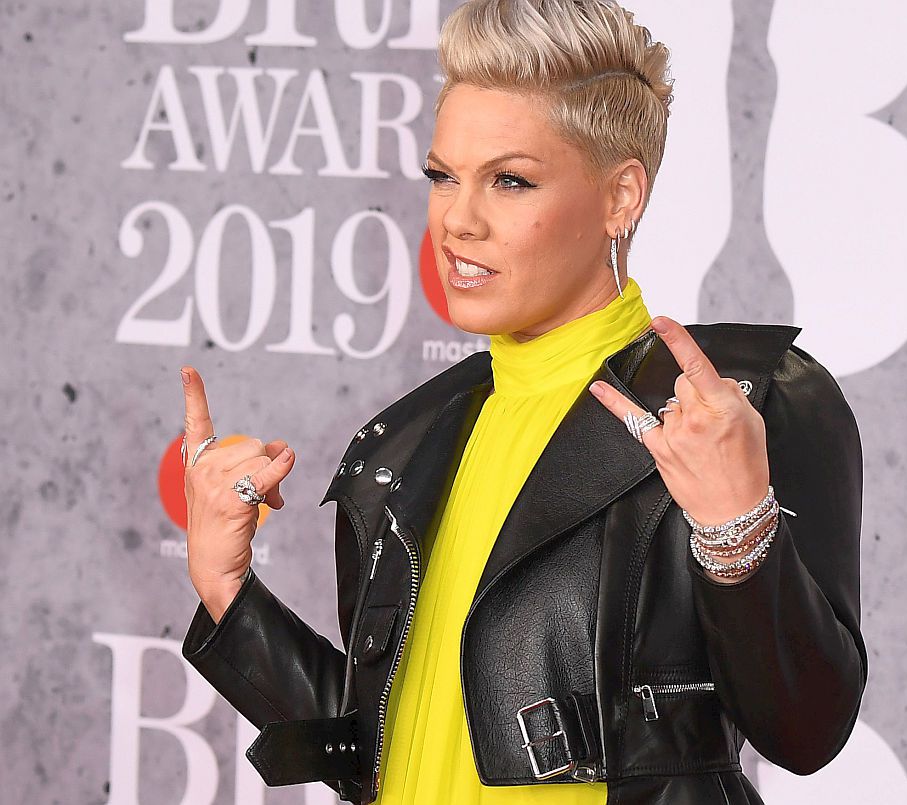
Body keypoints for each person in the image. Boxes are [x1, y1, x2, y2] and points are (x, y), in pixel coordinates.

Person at [178, 1, 867, 803]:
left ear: (621, 196)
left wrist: (737, 528)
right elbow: (391, 748)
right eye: (443, 176)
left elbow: (807, 732)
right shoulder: (406, 443)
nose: (458, 221)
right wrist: (227, 587)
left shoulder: (735, 405)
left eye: (510, 180)